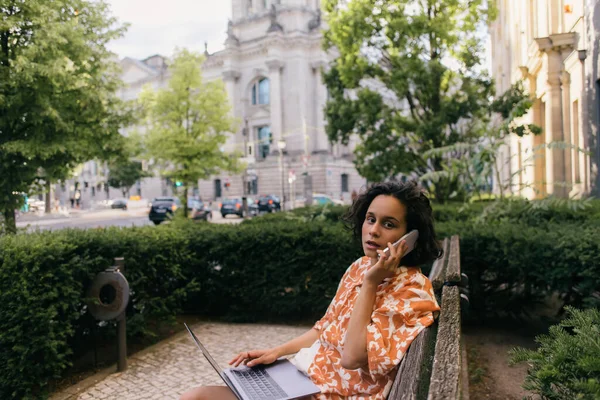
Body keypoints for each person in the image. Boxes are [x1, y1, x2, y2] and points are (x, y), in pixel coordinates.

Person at [180, 181, 442, 400]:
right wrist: (278, 352)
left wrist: (371, 284)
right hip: (304, 381)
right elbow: (325, 327)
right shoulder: (360, 267)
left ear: (410, 238)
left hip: (331, 394)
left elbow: (352, 358)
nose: (373, 230)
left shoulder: (412, 292)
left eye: (388, 224)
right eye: (370, 219)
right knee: (196, 396)